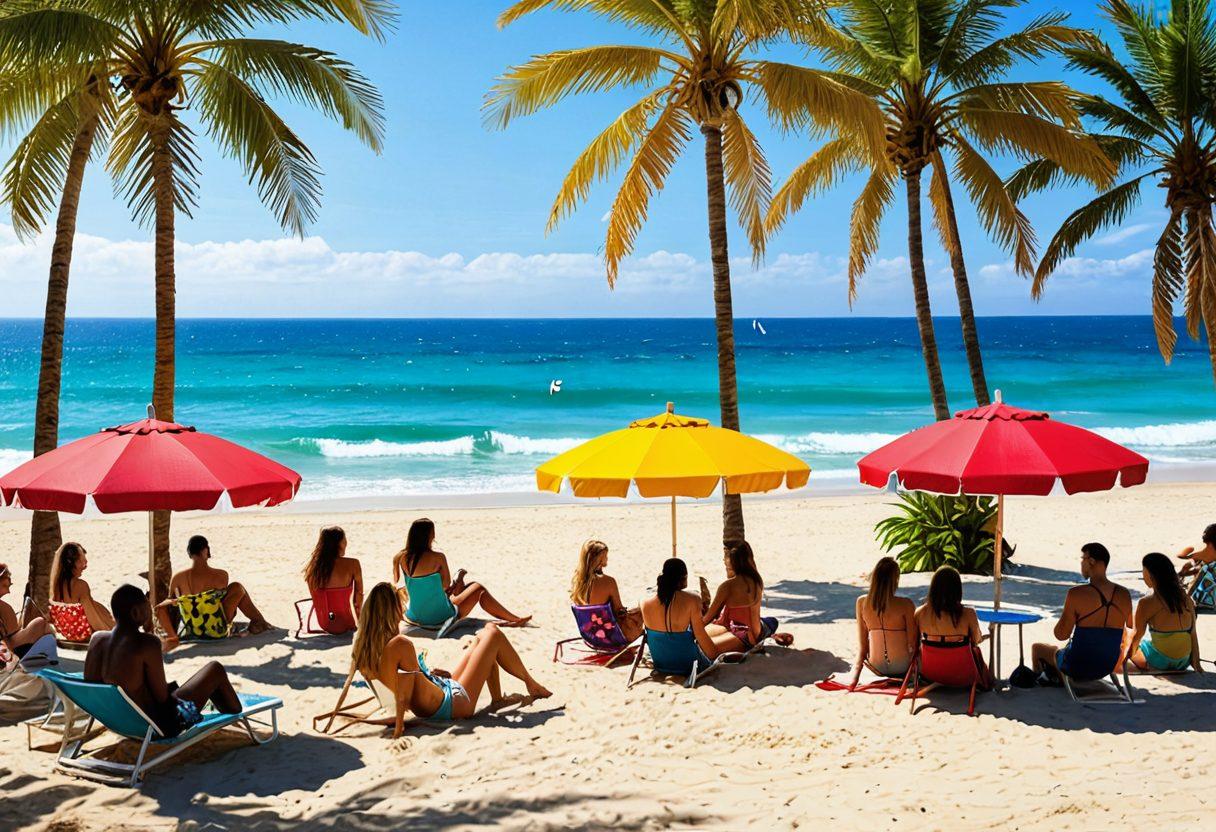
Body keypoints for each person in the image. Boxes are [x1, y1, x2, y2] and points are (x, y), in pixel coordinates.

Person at [351, 583, 550, 737]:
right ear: (391, 609)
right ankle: (531, 684)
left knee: (479, 640)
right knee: (492, 632)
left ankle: (498, 700)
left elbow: (393, 695)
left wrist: (429, 676)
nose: (403, 609)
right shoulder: (399, 644)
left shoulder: (364, 651)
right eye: (400, 604)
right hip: (452, 705)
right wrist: (399, 727)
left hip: (441, 693)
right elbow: (405, 691)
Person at [84, 585, 242, 738]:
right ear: (136, 612)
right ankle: (235, 712)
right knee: (215, 669)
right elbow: (162, 698)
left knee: (189, 686)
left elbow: (90, 684)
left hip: (120, 720)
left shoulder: (97, 639)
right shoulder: (147, 643)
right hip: (161, 725)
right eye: (148, 606)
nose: (151, 610)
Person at [393, 518, 530, 627]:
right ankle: (514, 619)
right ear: (429, 535)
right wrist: (456, 581)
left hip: (414, 615)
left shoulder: (399, 557)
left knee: (467, 587)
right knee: (478, 588)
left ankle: (461, 582)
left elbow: (397, 582)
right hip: (438, 617)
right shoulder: (438, 557)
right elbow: (446, 586)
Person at [1030, 542, 1132, 685]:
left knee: (1038, 648)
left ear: (1091, 561)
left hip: (1077, 665)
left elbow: (1061, 635)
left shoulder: (1076, 594)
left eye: (1082, 559)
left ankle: (1045, 684)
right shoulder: (1124, 594)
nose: (1081, 563)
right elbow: (1130, 627)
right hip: (1108, 665)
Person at [154, 535, 272, 650]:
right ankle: (259, 621)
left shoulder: (177, 578)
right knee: (237, 587)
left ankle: (259, 621)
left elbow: (168, 603)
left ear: (189, 553)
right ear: (206, 551)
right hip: (216, 631)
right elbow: (223, 604)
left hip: (191, 630)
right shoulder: (221, 575)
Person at [702, 541, 794, 652]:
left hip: (745, 637)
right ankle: (770, 636)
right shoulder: (756, 580)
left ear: (733, 561)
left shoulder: (727, 586)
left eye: (725, 557)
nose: (723, 560)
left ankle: (769, 638)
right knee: (771, 621)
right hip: (758, 631)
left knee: (701, 645)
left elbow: (706, 620)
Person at [914, 566, 992, 687]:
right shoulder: (968, 613)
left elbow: (915, 645)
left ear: (933, 588)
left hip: (930, 674)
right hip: (963, 675)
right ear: (957, 589)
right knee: (976, 651)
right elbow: (976, 640)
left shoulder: (920, 613)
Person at [1125, 552, 1202, 673]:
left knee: (1125, 637)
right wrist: (1196, 663)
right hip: (1184, 661)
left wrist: (1127, 656)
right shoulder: (1186, 598)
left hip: (1160, 661)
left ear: (1150, 574)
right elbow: (1193, 633)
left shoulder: (1146, 602)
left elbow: (1137, 636)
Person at [849, 556, 917, 686]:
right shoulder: (906, 605)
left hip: (876, 667)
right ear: (895, 580)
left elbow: (863, 648)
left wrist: (855, 676)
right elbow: (913, 644)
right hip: (902, 667)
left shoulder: (862, 602)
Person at [639, 557, 721, 661]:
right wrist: (717, 658)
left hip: (660, 663)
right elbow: (701, 638)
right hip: (688, 665)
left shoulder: (644, 601)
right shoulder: (693, 600)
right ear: (684, 578)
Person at [569, 539, 643, 642]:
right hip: (611, 636)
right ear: (600, 559)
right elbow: (619, 612)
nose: (607, 558)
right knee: (642, 611)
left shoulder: (577, 582)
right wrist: (636, 610)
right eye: (605, 556)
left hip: (591, 636)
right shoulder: (608, 581)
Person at [50, 542, 114, 640]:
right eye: (80, 561)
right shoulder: (80, 585)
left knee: (97, 606)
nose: (85, 566)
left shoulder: (57, 585)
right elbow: (94, 619)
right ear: (70, 562)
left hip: (66, 633)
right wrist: (111, 635)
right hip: (82, 634)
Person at [304, 525, 364, 625]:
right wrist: (360, 622)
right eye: (344, 540)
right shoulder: (353, 564)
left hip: (324, 623)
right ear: (340, 543)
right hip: (347, 623)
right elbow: (359, 595)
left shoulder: (313, 568)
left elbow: (317, 600)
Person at [0, 563, 52, 659]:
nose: (8, 592)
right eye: (5, 586)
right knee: (40, 623)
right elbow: (10, 640)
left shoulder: (5, 608)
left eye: (9, 586)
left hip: (8, 646)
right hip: (8, 651)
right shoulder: (4, 608)